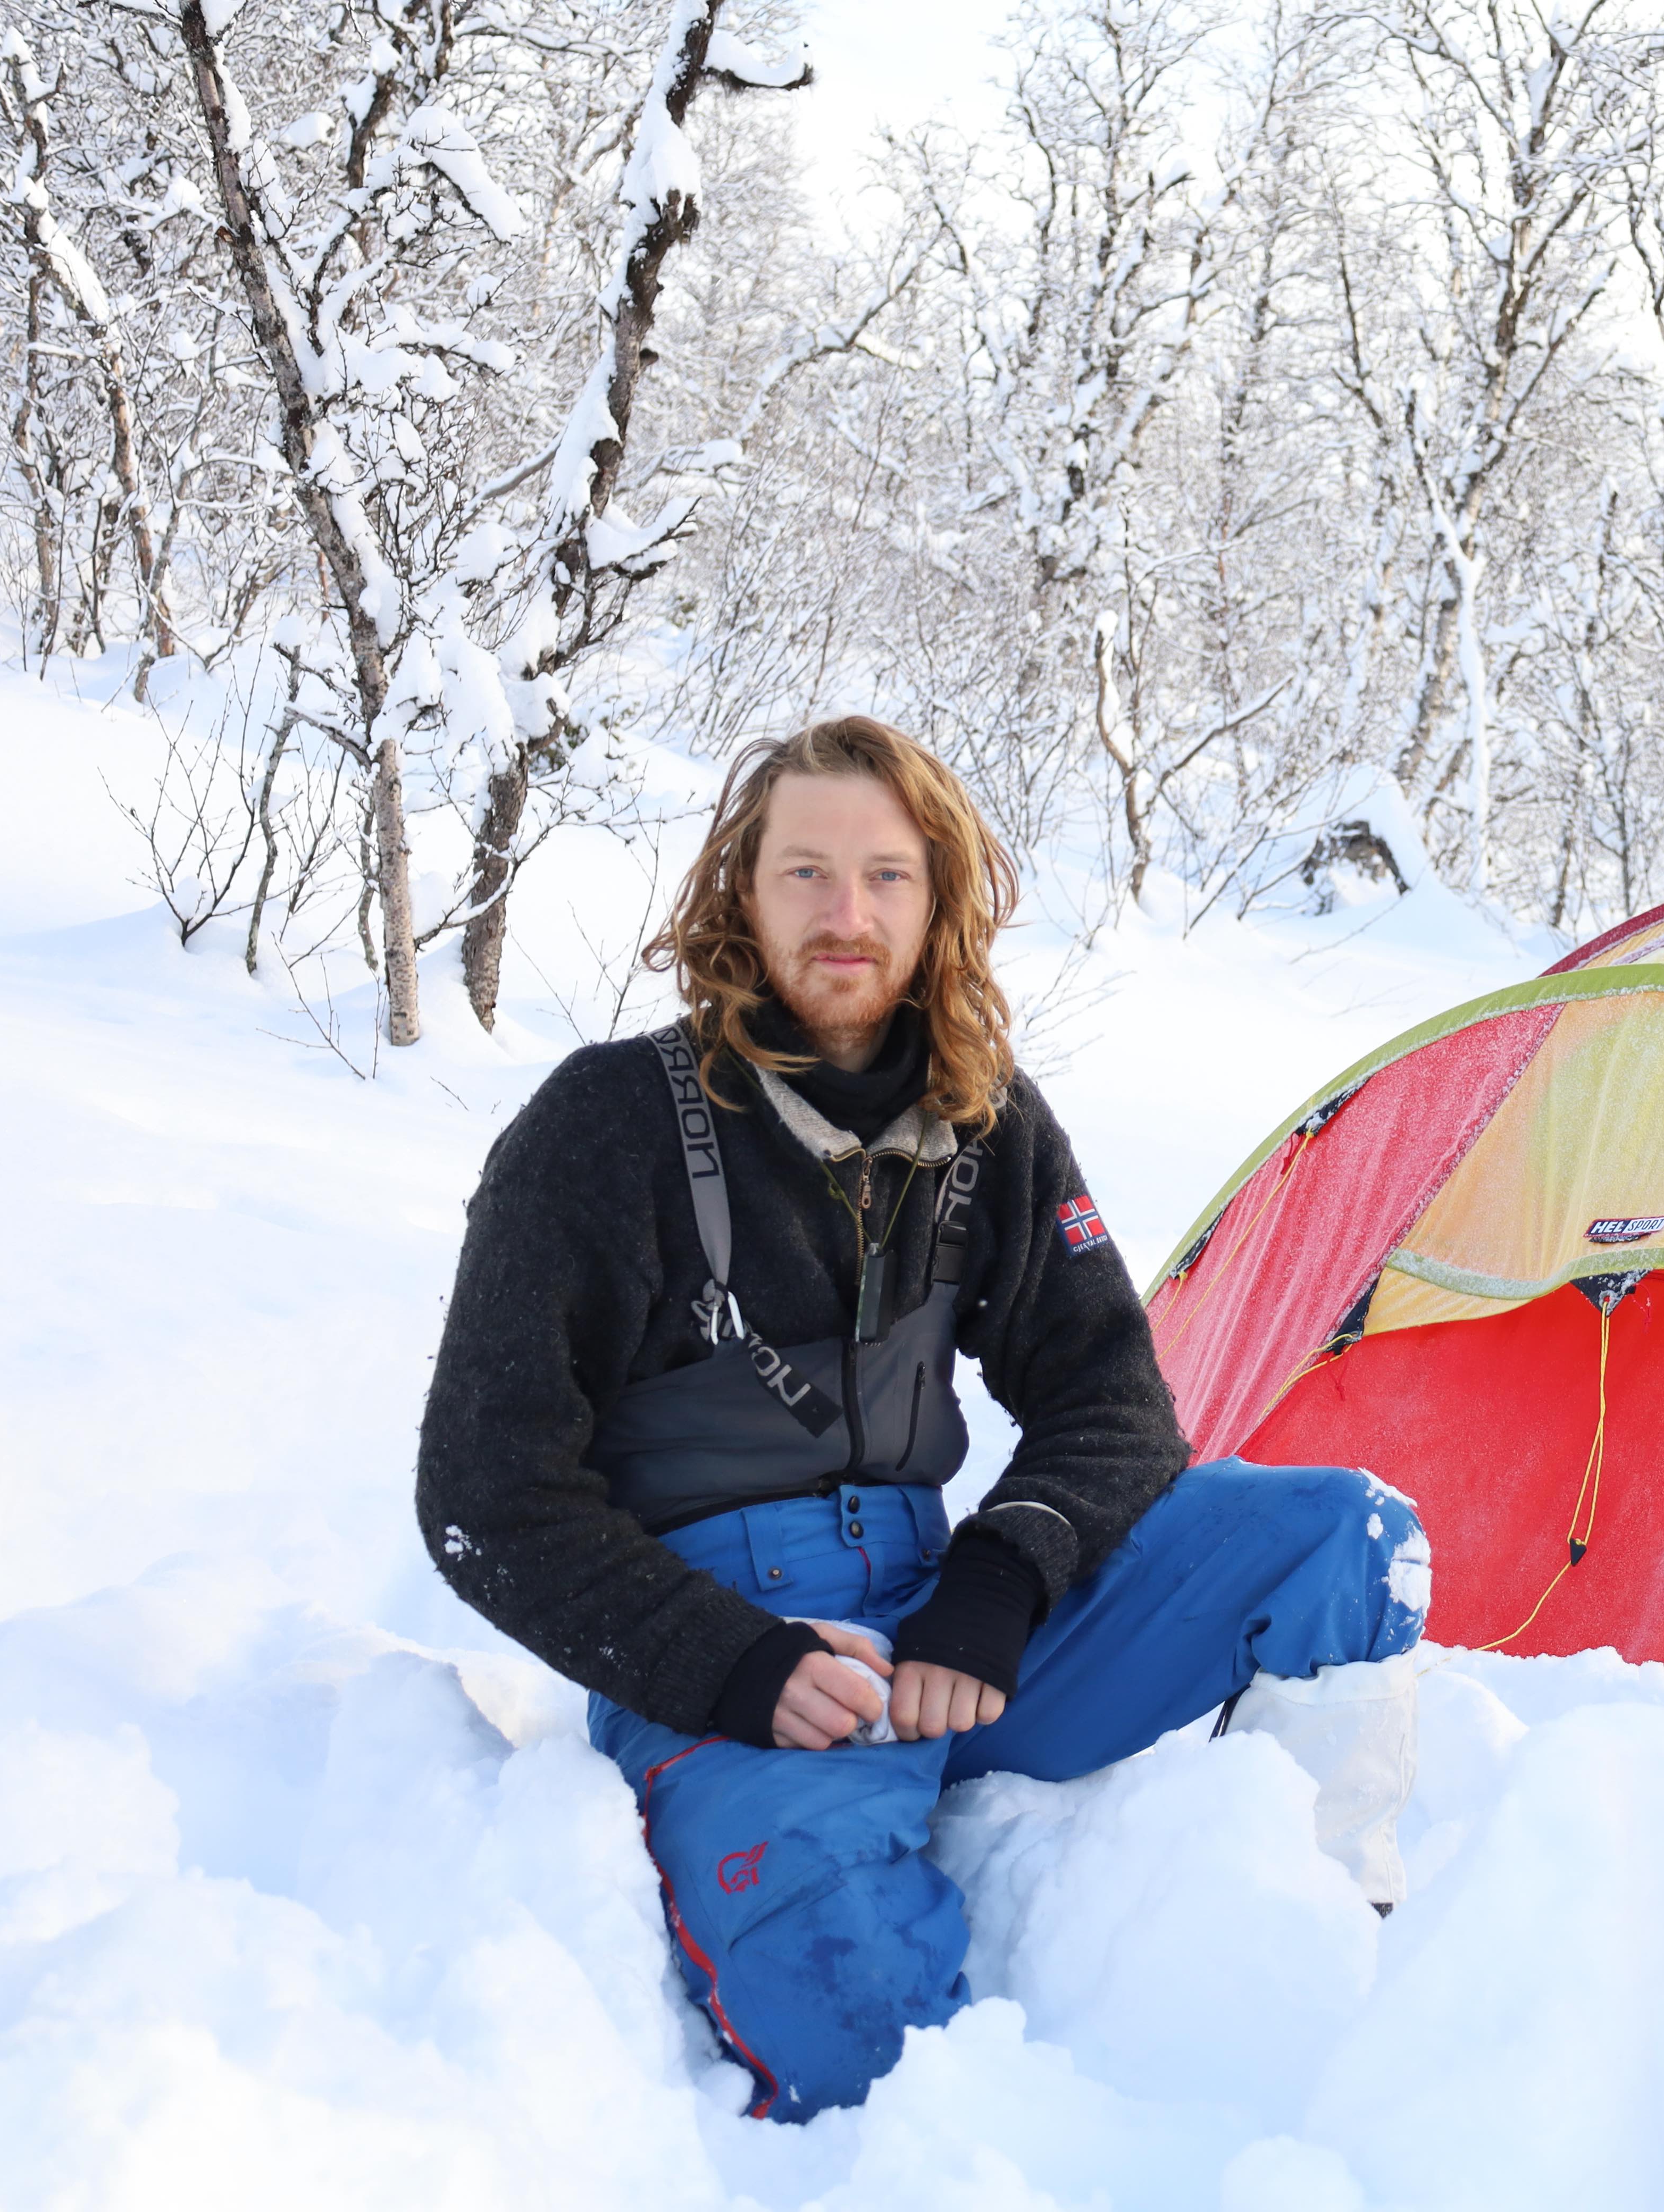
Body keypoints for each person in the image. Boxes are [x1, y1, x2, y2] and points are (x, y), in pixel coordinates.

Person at [416, 715, 1427, 2120]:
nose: (848, 915)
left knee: (1347, 1539)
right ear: (739, 896)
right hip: (738, 1667)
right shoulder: (606, 1125)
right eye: (806, 875)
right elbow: (486, 1493)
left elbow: (1114, 1404)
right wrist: (730, 1662)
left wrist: (999, 1577)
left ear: (941, 900)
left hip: (949, 1621)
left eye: (889, 877)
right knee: (867, 2044)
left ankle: (1323, 1954)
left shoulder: (989, 1121)